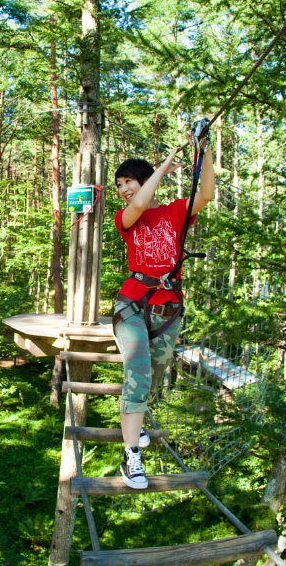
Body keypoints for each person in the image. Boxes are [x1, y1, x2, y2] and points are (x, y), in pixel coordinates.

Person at [112, 134, 215, 488]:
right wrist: (164, 166)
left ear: (144, 180)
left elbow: (206, 195)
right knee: (138, 370)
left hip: (167, 308)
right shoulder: (125, 217)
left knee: (152, 378)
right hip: (132, 304)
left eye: (129, 181)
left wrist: (205, 150)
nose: (124, 189)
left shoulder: (174, 213)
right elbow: (139, 205)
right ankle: (131, 458)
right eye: (120, 185)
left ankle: (133, 427)